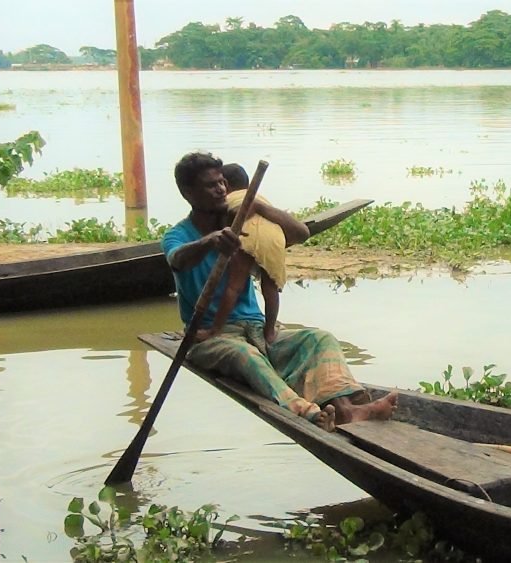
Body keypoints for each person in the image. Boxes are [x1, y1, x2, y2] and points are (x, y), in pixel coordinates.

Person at [161, 152, 398, 432]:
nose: (221, 189)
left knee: (319, 339)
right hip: (211, 337)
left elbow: (300, 233)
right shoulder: (178, 235)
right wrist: (209, 242)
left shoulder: (241, 221)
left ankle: (346, 410)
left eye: (222, 182)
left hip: (258, 329)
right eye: (211, 185)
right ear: (188, 193)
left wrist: (260, 208)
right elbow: (177, 259)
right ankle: (308, 413)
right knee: (246, 356)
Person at [202, 162, 286, 355]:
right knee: (270, 287)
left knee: (234, 286)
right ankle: (269, 332)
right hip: (275, 236)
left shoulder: (228, 199)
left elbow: (223, 224)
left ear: (226, 184)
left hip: (247, 234)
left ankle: (214, 330)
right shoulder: (261, 198)